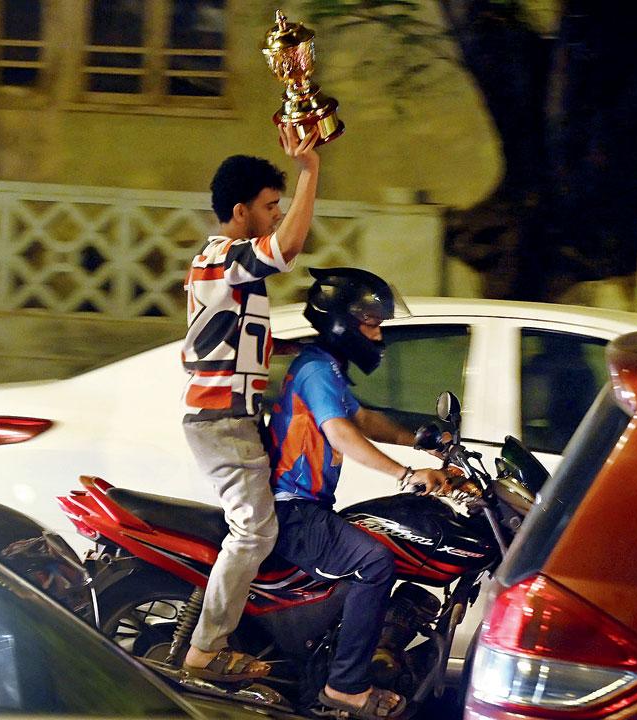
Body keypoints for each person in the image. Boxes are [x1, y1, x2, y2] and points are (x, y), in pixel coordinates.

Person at [266, 267, 451, 719]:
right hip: (294, 510)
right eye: (370, 321)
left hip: (307, 507)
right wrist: (407, 474)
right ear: (342, 322)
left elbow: (364, 420)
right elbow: (342, 435)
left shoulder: (325, 368)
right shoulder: (315, 368)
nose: (378, 332)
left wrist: (425, 438)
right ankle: (345, 685)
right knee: (373, 561)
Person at [180, 123, 321, 681]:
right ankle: (205, 652)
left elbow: (237, 338)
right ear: (240, 212)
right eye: (269, 207)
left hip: (231, 417)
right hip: (221, 421)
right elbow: (284, 249)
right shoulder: (225, 258)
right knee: (256, 533)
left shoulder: (223, 265)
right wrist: (311, 169)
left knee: (265, 528)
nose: (275, 216)